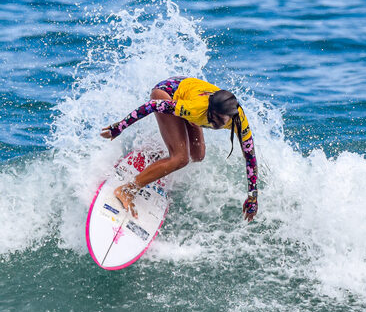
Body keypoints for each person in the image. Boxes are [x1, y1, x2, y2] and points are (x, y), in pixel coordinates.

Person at [100, 76, 258, 221]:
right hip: (167, 92)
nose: (218, 124)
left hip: (187, 94)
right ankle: (127, 190)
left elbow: (250, 157)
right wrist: (118, 127)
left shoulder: (239, 120)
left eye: (223, 120)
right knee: (180, 158)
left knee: (198, 155)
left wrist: (252, 197)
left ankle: (155, 155)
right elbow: (151, 106)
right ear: (209, 110)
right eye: (215, 118)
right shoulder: (195, 108)